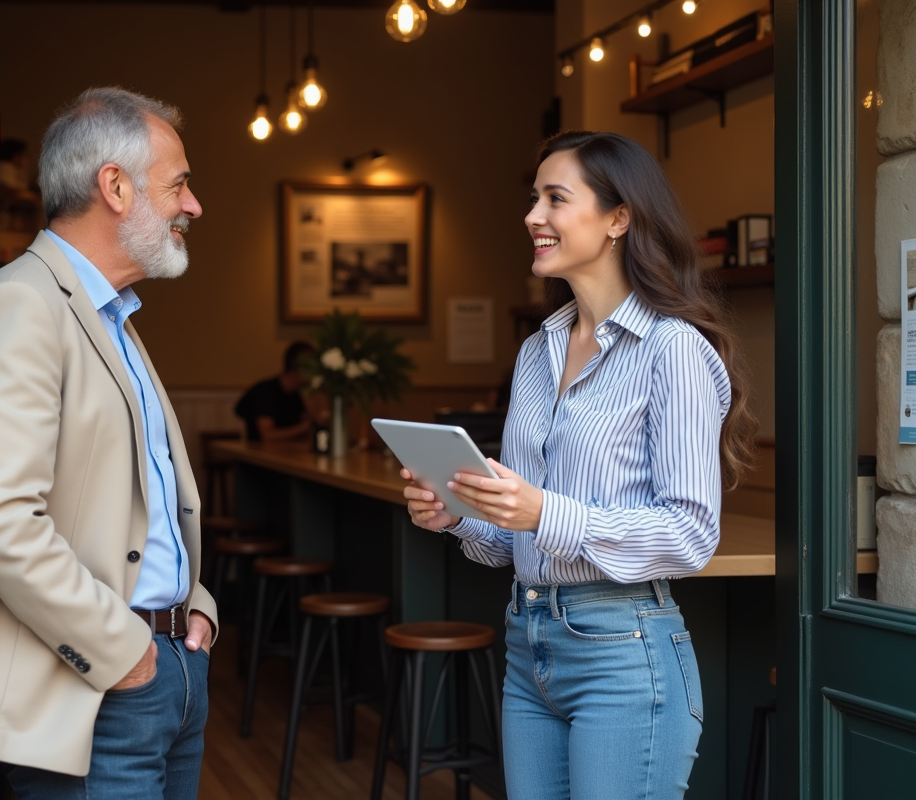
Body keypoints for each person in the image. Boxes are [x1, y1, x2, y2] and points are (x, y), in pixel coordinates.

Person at [402, 130, 755, 800]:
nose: (533, 216)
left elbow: (689, 535)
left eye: (555, 198)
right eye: (534, 198)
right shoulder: (539, 351)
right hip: (528, 644)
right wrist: (459, 515)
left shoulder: (672, 350)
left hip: (625, 653)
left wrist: (546, 511)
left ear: (619, 217)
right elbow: (514, 543)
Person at [0, 87, 218, 800]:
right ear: (115, 186)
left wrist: (195, 606)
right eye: (179, 184)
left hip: (169, 669)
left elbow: (147, 500)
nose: (194, 206)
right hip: (95, 691)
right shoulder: (20, 306)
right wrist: (123, 652)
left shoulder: (113, 317)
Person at [234, 341, 317, 442]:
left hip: (288, 453)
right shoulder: (265, 392)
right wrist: (304, 428)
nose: (314, 374)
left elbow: (313, 421)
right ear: (298, 369)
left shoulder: (296, 394)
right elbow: (267, 436)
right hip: (259, 454)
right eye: (312, 369)